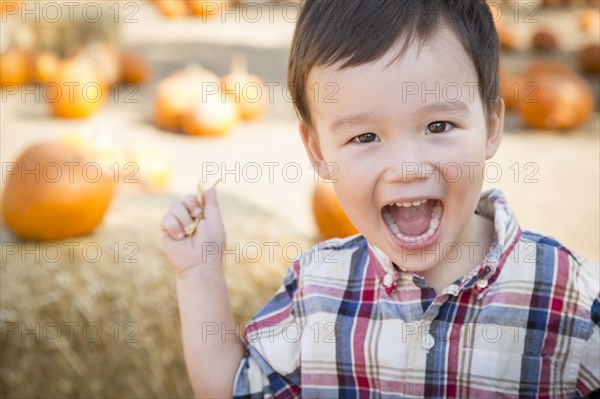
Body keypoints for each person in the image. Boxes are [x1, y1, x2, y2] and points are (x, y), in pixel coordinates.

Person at [160, 1, 600, 397]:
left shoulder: (571, 297)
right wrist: (198, 274)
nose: (406, 167)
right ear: (318, 152)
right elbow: (235, 390)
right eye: (365, 136)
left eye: (438, 126)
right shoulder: (317, 288)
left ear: (491, 123)